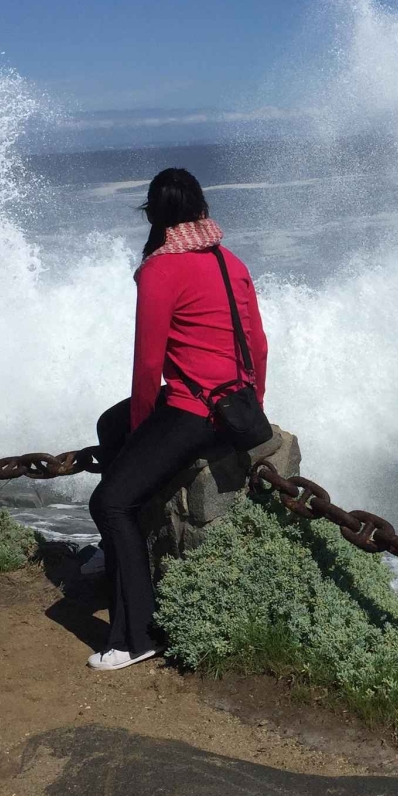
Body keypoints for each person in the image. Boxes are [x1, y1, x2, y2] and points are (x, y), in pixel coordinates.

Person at [85, 167, 268, 670]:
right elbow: (259, 345)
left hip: (193, 410)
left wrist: (146, 430)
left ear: (156, 216)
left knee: (111, 503)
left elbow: (148, 366)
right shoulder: (231, 261)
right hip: (233, 406)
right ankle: (120, 557)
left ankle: (136, 635)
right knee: (109, 426)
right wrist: (252, 405)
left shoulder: (161, 269)